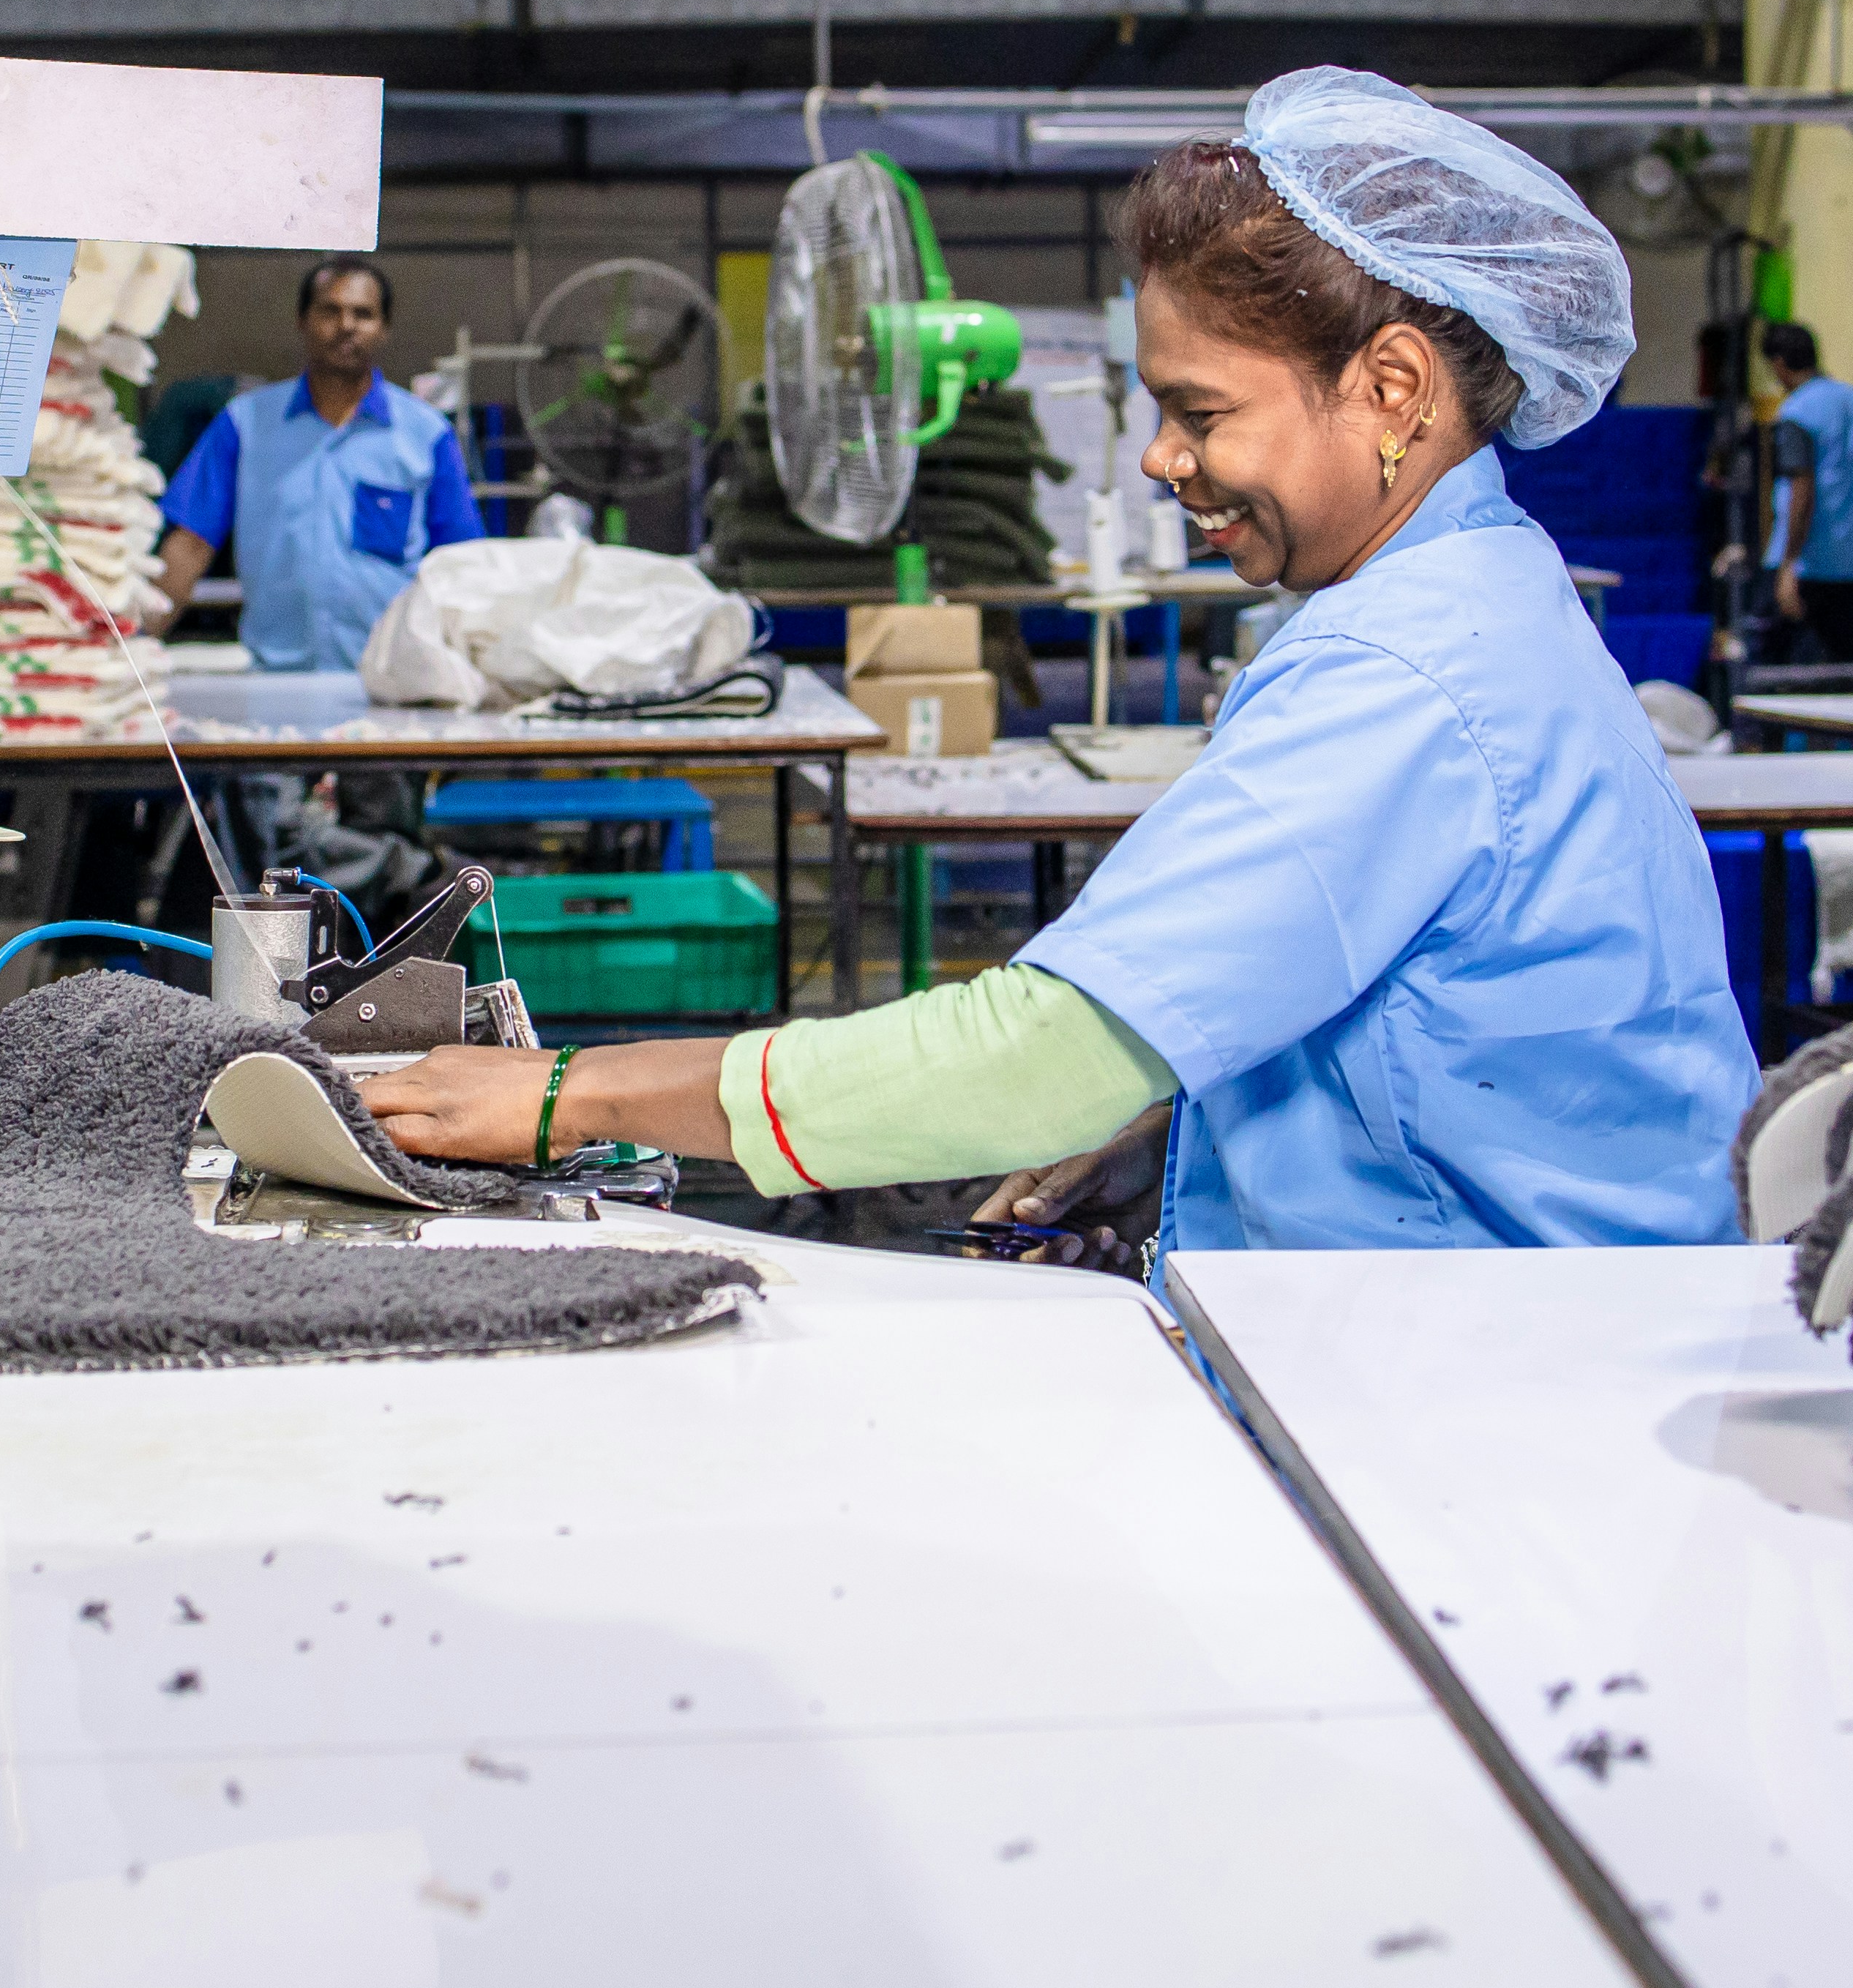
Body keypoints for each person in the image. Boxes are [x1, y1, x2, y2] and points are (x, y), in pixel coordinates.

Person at [361, 68, 1753, 1263]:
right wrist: (1181, 1145)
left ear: (1389, 390)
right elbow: (1425, 1024)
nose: (1159, 458)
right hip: (1503, 1307)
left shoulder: (1407, 673)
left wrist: (570, 1093)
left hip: (1497, 1373)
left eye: (1199, 411)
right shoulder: (1473, 593)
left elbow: (1036, 1053)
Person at [149, 258, 487, 673]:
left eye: (363, 314)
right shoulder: (245, 424)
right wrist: (127, 642)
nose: (346, 325)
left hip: (394, 684)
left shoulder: (426, 434)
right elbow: (188, 548)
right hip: (274, 684)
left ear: (384, 328)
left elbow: (462, 565)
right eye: (330, 310)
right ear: (302, 321)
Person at [1757, 320, 1853, 668]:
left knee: (1766, 668)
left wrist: (1788, 564)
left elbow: (1802, 491)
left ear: (1779, 364)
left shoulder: (1797, 412)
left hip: (1807, 563)